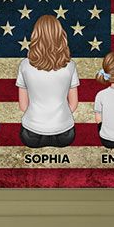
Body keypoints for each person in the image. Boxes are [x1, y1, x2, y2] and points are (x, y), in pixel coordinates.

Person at [17, 15, 79, 148]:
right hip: (65, 135)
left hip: (31, 135)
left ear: (35, 36)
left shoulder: (24, 65)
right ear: (60, 35)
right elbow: (73, 104)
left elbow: (23, 105)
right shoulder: (70, 66)